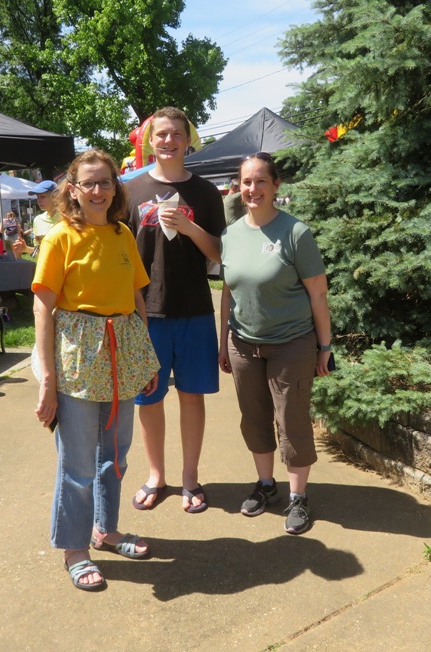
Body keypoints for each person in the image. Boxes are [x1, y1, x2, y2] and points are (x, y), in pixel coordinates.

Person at [32, 149, 159, 592]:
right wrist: (47, 379)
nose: (99, 190)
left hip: (122, 351)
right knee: (78, 463)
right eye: (90, 183)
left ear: (115, 187)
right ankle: (74, 548)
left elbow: (137, 297)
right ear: (74, 189)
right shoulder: (60, 238)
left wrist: (144, 357)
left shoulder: (124, 234)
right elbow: (43, 308)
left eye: (106, 182)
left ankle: (106, 530)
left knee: (116, 456)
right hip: (79, 358)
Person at [218, 152, 333, 535]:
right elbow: (227, 293)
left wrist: (324, 347)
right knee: (253, 419)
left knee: (292, 420)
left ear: (275, 184)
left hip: (291, 345)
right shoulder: (231, 234)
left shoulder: (296, 233)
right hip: (243, 343)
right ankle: (266, 485)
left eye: (260, 181)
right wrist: (223, 343)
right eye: (246, 182)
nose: (252, 189)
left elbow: (318, 294)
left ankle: (298, 497)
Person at [125, 107, 226, 513]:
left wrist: (190, 227)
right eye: (161, 134)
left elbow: (219, 254)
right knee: (148, 397)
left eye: (176, 134)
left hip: (194, 309)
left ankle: (189, 478)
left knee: (191, 396)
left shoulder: (204, 193)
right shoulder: (129, 192)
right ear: (150, 141)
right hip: (145, 311)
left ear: (187, 141)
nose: (167, 141)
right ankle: (156, 476)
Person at [28, 179, 59, 254]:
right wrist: (25, 248)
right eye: (38, 197)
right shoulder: (37, 220)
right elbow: (38, 251)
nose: (39, 200)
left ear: (56, 196)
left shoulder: (67, 217)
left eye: (43, 196)